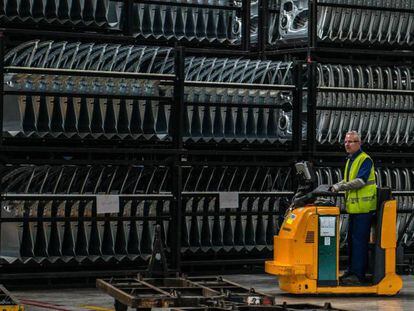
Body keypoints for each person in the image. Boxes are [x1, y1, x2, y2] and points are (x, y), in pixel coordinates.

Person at [331, 131, 377, 284]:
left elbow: (360, 181)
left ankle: (358, 275)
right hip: (354, 209)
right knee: (351, 241)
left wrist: (341, 187)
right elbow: (347, 179)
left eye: (351, 141)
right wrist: (336, 185)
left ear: (359, 143)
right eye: (345, 141)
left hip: (364, 209)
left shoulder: (365, 159)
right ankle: (351, 271)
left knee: (359, 243)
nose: (347, 144)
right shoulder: (351, 160)